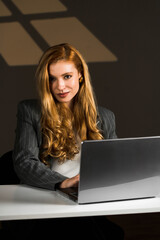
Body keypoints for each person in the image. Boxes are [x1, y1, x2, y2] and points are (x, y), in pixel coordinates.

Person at [12, 43, 124, 239]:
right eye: (52, 79)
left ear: (80, 74)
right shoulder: (29, 111)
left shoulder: (105, 117)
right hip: (46, 202)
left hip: (86, 202)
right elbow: (24, 161)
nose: (60, 86)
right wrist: (62, 183)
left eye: (67, 76)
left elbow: (114, 164)